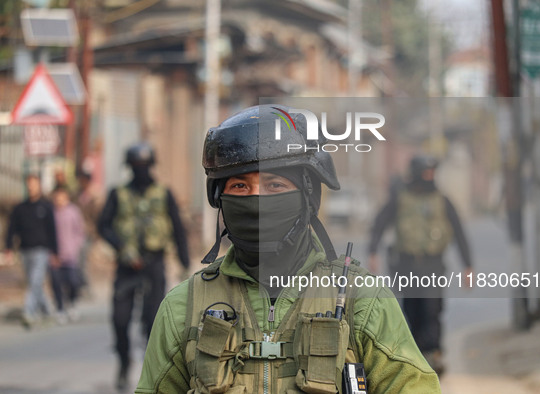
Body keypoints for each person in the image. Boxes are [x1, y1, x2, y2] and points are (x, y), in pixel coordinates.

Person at [136, 105, 440, 394]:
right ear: (220, 198)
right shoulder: (183, 307)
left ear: (307, 197)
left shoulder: (362, 301)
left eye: (274, 185)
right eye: (240, 187)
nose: (256, 201)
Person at [367, 154, 473, 375]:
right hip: (406, 263)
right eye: (426, 173)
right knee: (412, 310)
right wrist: (372, 252)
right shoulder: (400, 198)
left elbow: (459, 232)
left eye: (432, 173)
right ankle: (416, 355)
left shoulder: (442, 200)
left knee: (432, 309)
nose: (429, 177)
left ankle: (433, 352)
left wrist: (468, 266)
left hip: (433, 264)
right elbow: (380, 222)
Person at [97, 142, 190, 391]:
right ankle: (124, 361)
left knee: (153, 322)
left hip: (154, 264)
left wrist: (185, 262)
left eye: (144, 166)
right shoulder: (118, 194)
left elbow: (178, 228)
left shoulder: (163, 193)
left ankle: (153, 375)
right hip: (126, 267)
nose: (140, 170)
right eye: (136, 166)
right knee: (119, 320)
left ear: (151, 166)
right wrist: (121, 248)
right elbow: (103, 225)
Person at [6, 174, 58, 328]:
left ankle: (28, 312)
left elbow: (52, 230)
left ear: (39, 186)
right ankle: (47, 310)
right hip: (25, 250)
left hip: (41, 250)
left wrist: (55, 252)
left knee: (35, 281)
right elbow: (11, 229)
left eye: (34, 184)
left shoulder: (46, 207)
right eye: (29, 184)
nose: (31, 187)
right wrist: (8, 247)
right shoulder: (20, 208)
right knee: (33, 283)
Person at [50, 185, 85, 324]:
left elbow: (80, 231)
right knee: (56, 283)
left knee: (73, 282)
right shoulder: (51, 213)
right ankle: (60, 308)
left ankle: (72, 304)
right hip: (54, 256)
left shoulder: (73, 212)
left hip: (70, 255)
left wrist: (75, 247)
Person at [75, 168, 102, 294]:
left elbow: (98, 217)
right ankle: (81, 285)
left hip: (88, 233)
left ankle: (85, 286)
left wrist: (96, 234)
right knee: (77, 260)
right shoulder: (77, 195)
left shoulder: (94, 196)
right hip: (76, 232)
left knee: (82, 259)